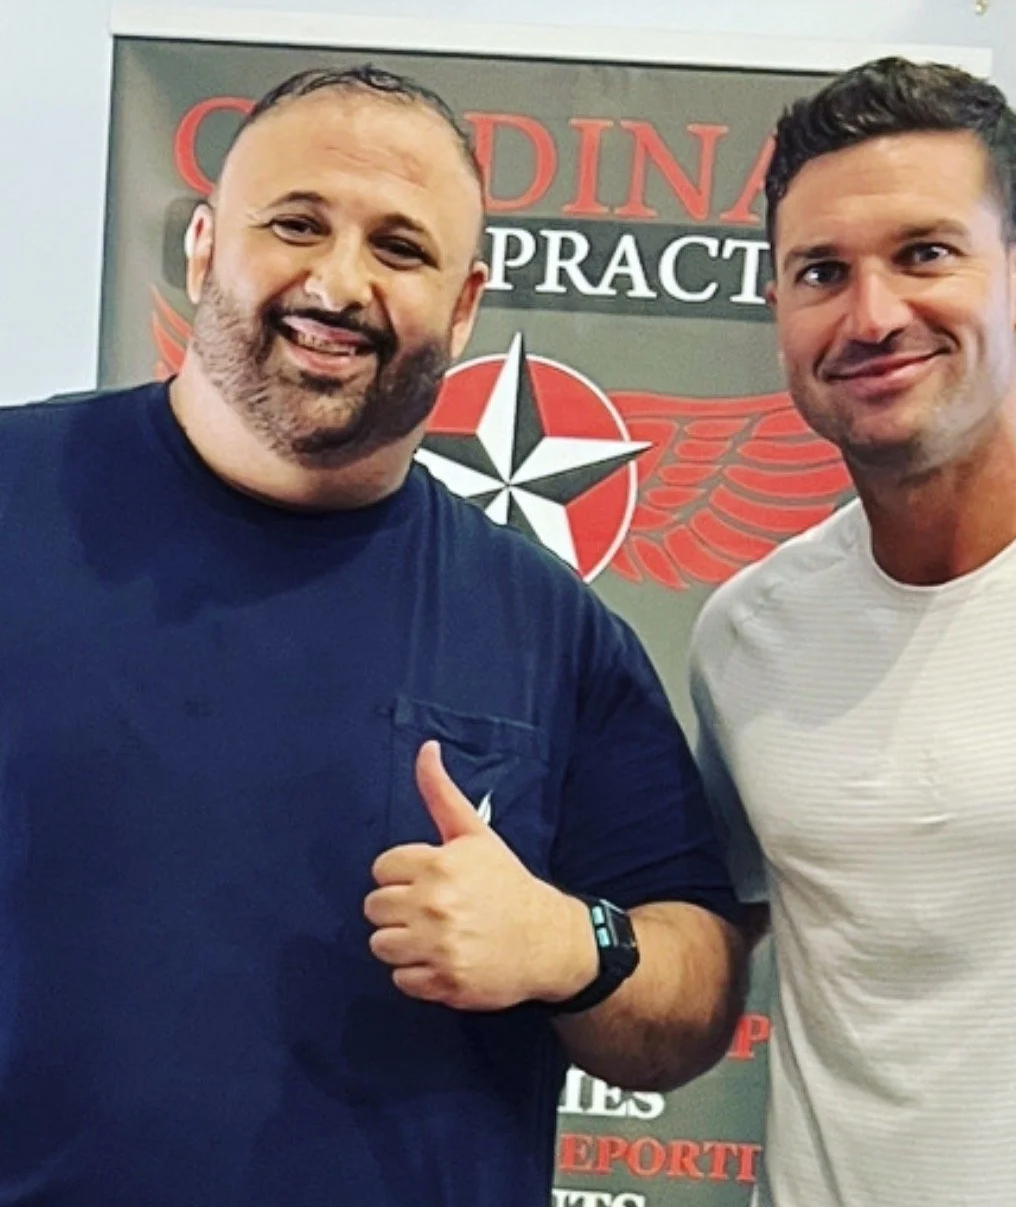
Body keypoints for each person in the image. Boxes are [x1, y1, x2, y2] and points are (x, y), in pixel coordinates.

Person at [0, 64, 748, 1207]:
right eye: (295, 223)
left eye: (401, 248)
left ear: (462, 305)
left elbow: (694, 994)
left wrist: (567, 941)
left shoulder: (552, 631)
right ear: (203, 247)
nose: (338, 282)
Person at [690, 57, 1016, 1207]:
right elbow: (700, 968)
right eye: (821, 272)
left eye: (924, 253)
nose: (872, 315)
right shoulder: (744, 637)